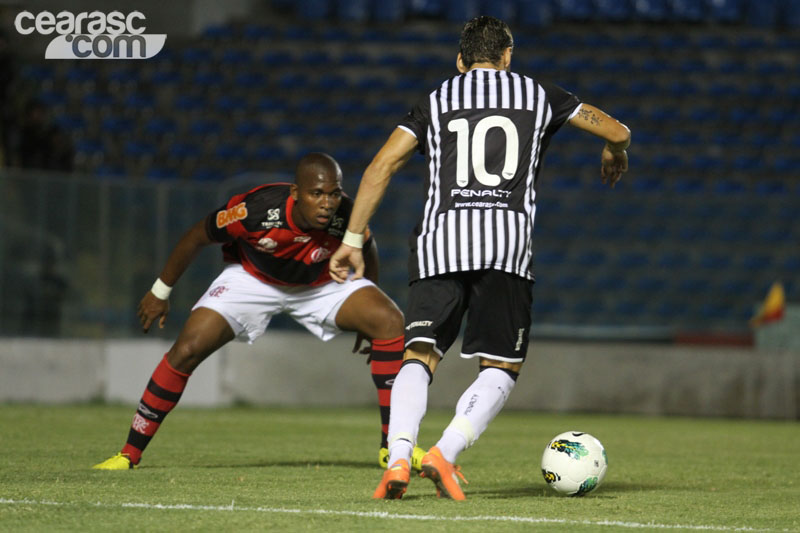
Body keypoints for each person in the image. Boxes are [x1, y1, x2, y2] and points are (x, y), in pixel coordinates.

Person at [329, 16, 631, 500]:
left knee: (419, 355)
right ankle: (444, 453)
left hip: (438, 244)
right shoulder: (540, 95)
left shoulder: (435, 100)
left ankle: (400, 457)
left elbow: (381, 165)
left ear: (460, 59)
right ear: (508, 57)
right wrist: (617, 151)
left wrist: (351, 238)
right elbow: (615, 129)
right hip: (506, 249)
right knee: (500, 367)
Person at [93, 153, 424, 470]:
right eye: (317, 193)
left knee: (389, 321)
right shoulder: (253, 210)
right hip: (253, 280)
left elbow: (367, 246)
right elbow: (197, 235)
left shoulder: (346, 213)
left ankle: (391, 448)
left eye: (334, 193)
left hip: (319, 286)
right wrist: (160, 291)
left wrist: (369, 296)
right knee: (187, 349)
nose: (327, 203)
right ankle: (128, 453)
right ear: (296, 193)